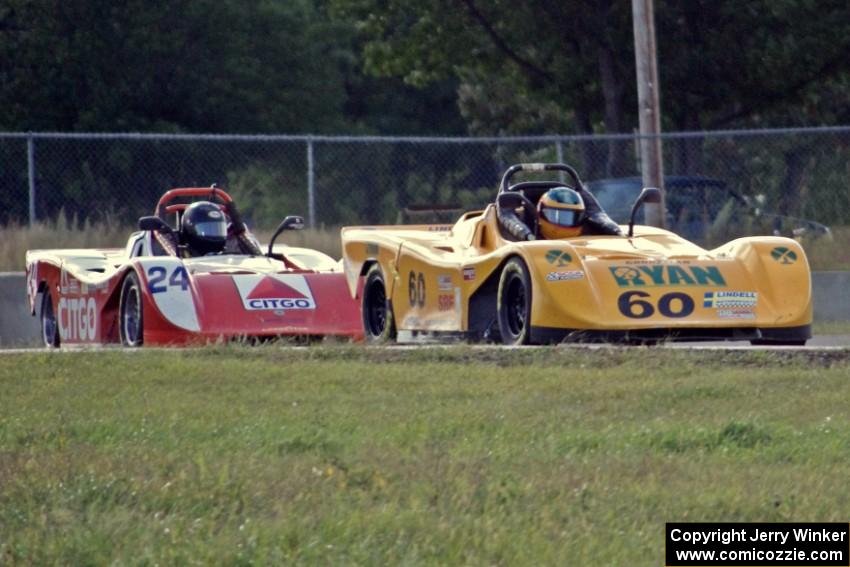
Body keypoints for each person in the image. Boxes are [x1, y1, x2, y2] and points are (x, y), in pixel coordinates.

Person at [497, 185, 623, 241]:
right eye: (558, 216)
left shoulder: (588, 231)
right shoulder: (516, 237)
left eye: (571, 217)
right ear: (541, 214)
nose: (565, 223)